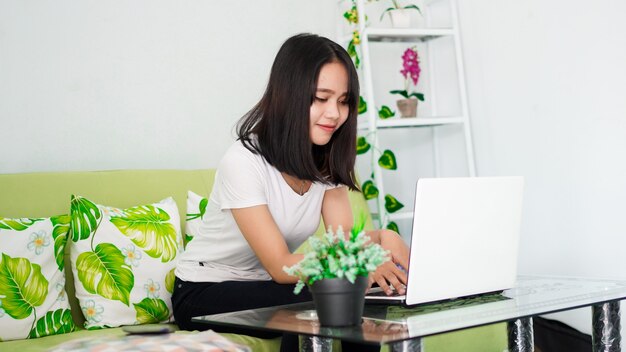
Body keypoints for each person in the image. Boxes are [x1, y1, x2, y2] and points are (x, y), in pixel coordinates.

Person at [172, 33, 410, 351]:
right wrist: (361, 268)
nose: (335, 114)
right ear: (290, 94)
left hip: (267, 287)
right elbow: (281, 265)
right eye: (320, 98)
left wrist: (384, 239)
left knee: (357, 296)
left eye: (342, 101)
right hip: (204, 291)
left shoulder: (325, 162)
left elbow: (343, 246)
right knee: (317, 298)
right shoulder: (243, 161)